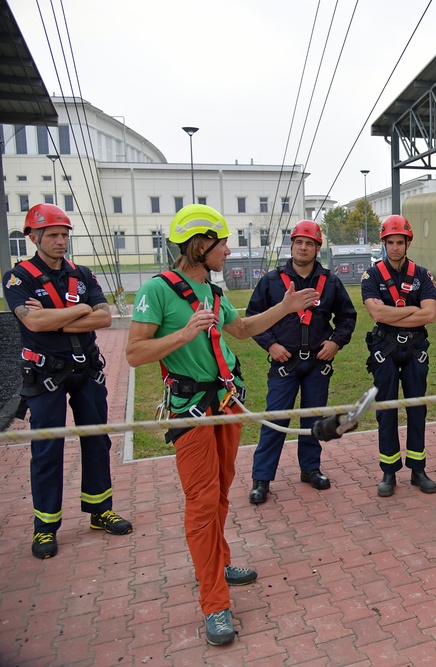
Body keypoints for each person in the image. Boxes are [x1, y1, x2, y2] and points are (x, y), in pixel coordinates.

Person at [126, 204, 320, 646]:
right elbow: (135, 354)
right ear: (201, 245)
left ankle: (220, 560)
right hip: (191, 411)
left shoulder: (212, 292)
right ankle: (214, 601)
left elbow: (243, 329)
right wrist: (184, 333)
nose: (229, 251)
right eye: (223, 243)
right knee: (202, 500)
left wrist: (287, 307)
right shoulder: (157, 291)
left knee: (221, 490)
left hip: (226, 404)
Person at [2, 203, 132, 560]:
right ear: (34, 236)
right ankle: (45, 528)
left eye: (64, 234)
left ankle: (99, 510)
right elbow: (33, 323)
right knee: (47, 449)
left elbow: (105, 319)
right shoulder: (18, 278)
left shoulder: (83, 274)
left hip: (87, 370)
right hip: (45, 375)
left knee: (97, 440)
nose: (61, 241)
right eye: (53, 235)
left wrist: (56, 317)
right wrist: (80, 311)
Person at [246, 220, 357, 504]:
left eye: (309, 243)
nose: (303, 247)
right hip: (284, 362)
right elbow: (253, 317)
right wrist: (271, 345)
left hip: (317, 364)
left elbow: (347, 316)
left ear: (317, 248)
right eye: (299, 242)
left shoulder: (330, 282)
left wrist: (336, 341)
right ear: (292, 245)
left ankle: (310, 468)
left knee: (313, 418)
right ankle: (261, 478)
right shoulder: (272, 281)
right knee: (275, 419)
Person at [360, 215, 436, 498]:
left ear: (407, 243)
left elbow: (430, 315)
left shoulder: (422, 275)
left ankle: (418, 469)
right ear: (384, 243)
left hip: (416, 349)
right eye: (390, 242)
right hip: (385, 350)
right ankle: (389, 471)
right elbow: (377, 314)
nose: (395, 247)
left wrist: (394, 314)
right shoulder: (372, 275)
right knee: (386, 410)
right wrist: (411, 312)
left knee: (418, 408)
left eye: (399, 242)